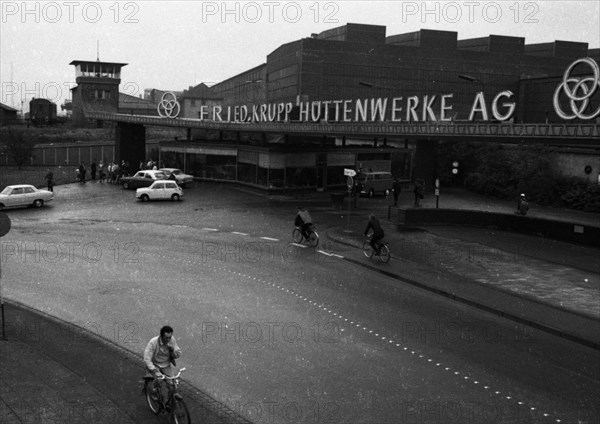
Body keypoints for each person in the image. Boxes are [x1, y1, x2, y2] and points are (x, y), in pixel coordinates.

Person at [144, 326, 182, 405]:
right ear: (161, 336)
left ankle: (171, 403)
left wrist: (172, 350)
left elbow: (178, 354)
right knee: (159, 379)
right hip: (155, 365)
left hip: (166, 365)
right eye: (166, 338)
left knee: (172, 384)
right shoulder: (153, 342)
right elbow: (147, 358)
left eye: (169, 337)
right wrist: (154, 370)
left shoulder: (172, 340)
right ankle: (154, 391)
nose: (168, 340)